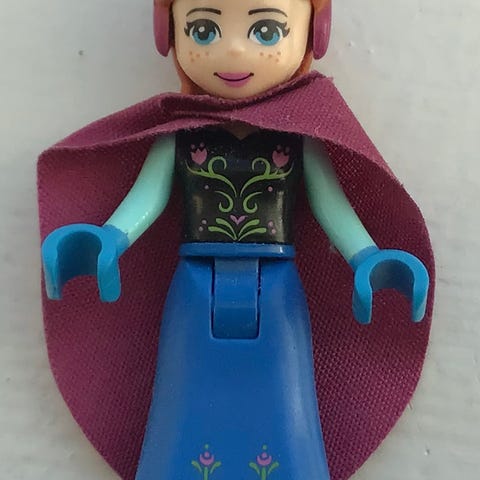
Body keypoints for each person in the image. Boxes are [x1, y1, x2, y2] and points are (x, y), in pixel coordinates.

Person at [38, 1, 434, 479]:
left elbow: (331, 203)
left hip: (278, 287)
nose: (233, 50)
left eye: (265, 31)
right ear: (169, 34)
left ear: (314, 33)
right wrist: (110, 239)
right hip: (193, 284)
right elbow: (148, 195)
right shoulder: (180, 135)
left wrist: (366, 256)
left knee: (285, 395)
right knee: (183, 392)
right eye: (204, 29)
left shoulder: (298, 138)